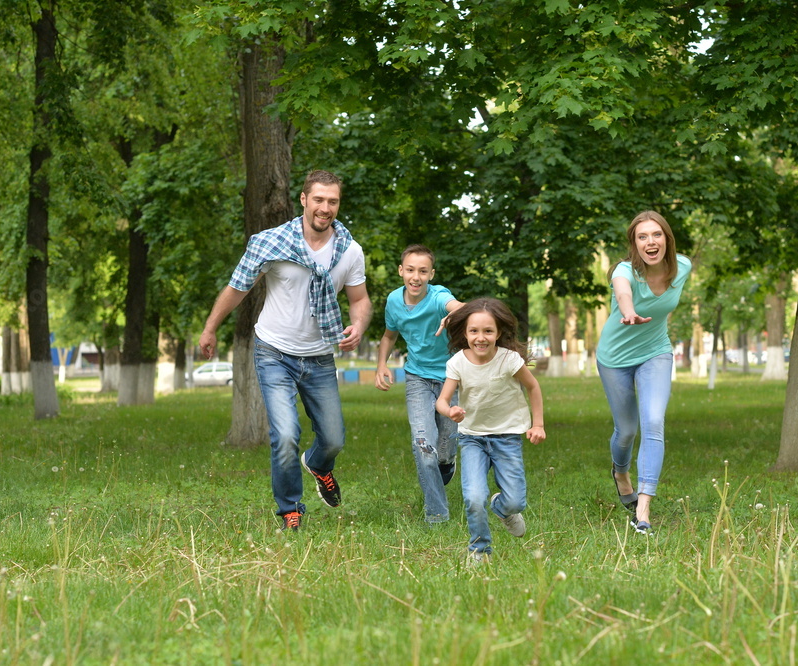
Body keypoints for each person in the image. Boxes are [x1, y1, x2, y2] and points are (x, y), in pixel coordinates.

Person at [198, 170, 372, 532]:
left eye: (333, 201)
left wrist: (359, 324)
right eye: (319, 200)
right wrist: (210, 327)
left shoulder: (350, 250)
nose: (325, 208)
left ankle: (319, 464)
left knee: (335, 438)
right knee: (286, 434)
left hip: (320, 355)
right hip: (274, 352)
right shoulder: (271, 242)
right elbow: (237, 288)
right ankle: (290, 508)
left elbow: (359, 299)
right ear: (304, 200)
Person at [597, 211, 691, 535]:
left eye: (656, 235)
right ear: (635, 244)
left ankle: (643, 508)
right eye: (642, 237)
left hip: (656, 353)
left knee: (653, 421)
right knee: (626, 431)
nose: (651, 242)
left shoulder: (684, 267)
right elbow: (623, 293)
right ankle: (620, 474)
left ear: (667, 238)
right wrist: (629, 311)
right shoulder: (624, 271)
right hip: (615, 358)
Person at [435, 298, 545, 563]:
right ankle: (479, 551)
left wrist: (538, 424)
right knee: (473, 497)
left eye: (488, 331)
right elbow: (441, 401)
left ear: (498, 333)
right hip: (472, 438)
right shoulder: (458, 363)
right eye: (474, 331)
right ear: (465, 332)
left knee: (516, 502)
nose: (480, 338)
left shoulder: (509, 360)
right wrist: (450, 411)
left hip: (507, 437)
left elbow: (533, 387)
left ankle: (501, 508)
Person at [375, 245, 464, 524]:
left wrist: (455, 315)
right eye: (410, 270)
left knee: (446, 444)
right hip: (417, 379)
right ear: (401, 271)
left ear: (431, 274)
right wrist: (381, 365)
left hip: (450, 377)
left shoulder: (439, 296)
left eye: (423, 271)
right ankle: (437, 514)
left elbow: (459, 308)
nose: (416, 277)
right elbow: (389, 336)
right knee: (424, 445)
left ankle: (447, 461)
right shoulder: (393, 301)